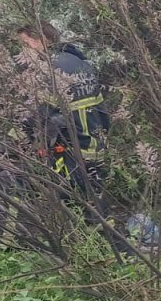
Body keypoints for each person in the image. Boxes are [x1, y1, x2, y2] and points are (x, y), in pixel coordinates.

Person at [17, 21, 111, 199]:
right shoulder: (79, 62)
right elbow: (100, 107)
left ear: (41, 40)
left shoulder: (49, 68)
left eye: (25, 44)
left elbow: (40, 113)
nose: (23, 51)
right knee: (95, 200)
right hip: (94, 144)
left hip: (71, 148)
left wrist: (18, 138)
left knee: (75, 202)